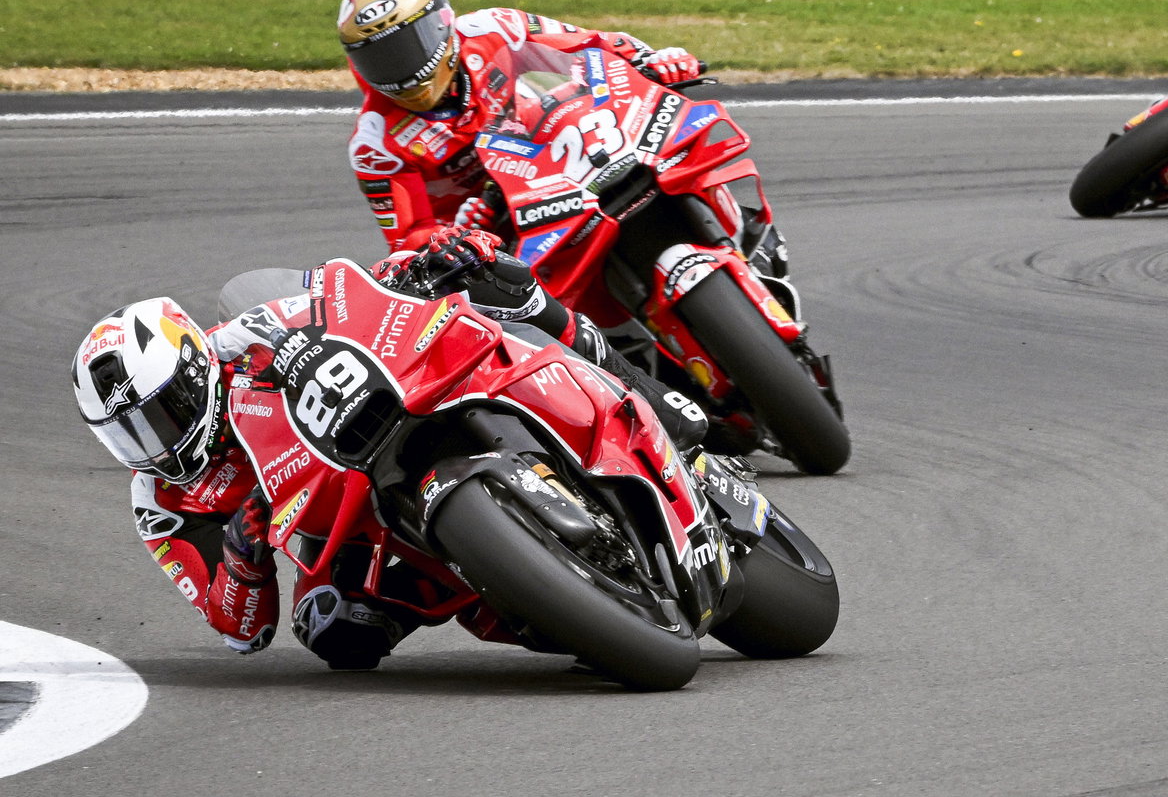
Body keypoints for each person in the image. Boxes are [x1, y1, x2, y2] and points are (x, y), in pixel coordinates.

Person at [71, 228, 705, 670]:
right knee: (333, 631)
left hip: (390, 402)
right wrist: (241, 553)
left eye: (161, 412)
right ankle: (542, 595)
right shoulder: (160, 501)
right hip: (340, 523)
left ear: (193, 367)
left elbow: (342, 291)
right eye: (126, 431)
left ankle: (651, 396)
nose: (152, 439)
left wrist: (421, 262)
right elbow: (242, 631)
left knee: (498, 283)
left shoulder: (243, 335)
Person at [338, 0, 704, 250]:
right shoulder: (375, 145)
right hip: (494, 235)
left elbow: (591, 44)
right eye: (382, 60)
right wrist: (447, 235)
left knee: (665, 153)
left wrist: (652, 60)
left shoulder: (494, 28)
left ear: (442, 25)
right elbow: (407, 239)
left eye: (408, 47)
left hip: (563, 163)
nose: (401, 69)